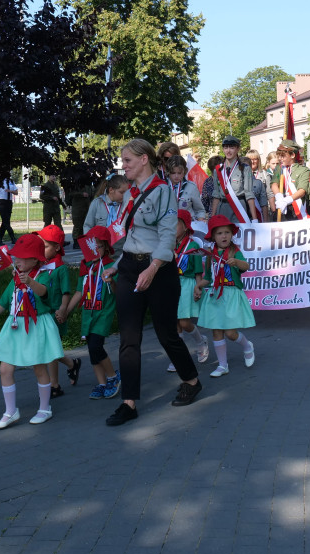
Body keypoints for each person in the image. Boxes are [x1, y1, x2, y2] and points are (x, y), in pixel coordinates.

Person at [105, 138, 202, 426]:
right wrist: (116, 265)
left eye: (128, 161)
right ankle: (129, 403)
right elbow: (132, 236)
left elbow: (165, 237)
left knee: (166, 333)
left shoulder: (163, 193)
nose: (124, 166)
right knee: (128, 338)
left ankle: (192, 380)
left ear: (144, 160)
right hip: (129, 269)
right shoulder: (131, 193)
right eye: (123, 161)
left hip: (159, 269)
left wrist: (153, 268)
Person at [0, 234, 65, 428]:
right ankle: (10, 411)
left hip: (36, 326)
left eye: (23, 257)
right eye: (16, 257)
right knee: (5, 369)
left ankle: (44, 408)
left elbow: (45, 293)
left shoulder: (43, 275)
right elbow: (3, 302)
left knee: (39, 367)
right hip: (15, 326)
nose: (17, 261)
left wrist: (30, 282)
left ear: (35, 259)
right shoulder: (15, 279)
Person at [195, 214, 256, 376]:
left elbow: (246, 266)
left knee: (230, 333)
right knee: (216, 331)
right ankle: (223, 365)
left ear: (231, 234)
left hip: (231, 295)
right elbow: (208, 277)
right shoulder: (211, 255)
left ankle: (247, 346)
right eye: (220, 233)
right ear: (213, 236)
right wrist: (198, 287)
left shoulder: (235, 252)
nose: (224, 236)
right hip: (215, 296)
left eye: (227, 233)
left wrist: (236, 262)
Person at [67, 226, 121, 399]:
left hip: (103, 313)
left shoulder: (111, 266)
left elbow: (117, 291)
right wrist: (66, 311)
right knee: (92, 350)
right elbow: (79, 292)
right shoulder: (86, 267)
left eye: (98, 245)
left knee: (96, 346)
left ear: (105, 246)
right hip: (88, 314)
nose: (94, 249)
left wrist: (111, 280)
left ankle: (113, 377)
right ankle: (101, 383)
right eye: (91, 245)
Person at [37, 224, 82, 398]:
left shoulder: (60, 268)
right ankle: (72, 364)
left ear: (57, 248)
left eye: (45, 246)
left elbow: (66, 293)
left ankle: (54, 385)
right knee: (49, 349)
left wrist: (63, 309)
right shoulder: (41, 266)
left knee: (50, 350)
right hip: (42, 314)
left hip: (55, 315)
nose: (42, 249)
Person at [169, 210, 209, 371]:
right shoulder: (169, 245)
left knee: (184, 322)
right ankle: (179, 357)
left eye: (176, 224)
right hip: (172, 284)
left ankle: (201, 342)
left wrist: (198, 287)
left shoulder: (193, 245)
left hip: (187, 284)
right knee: (174, 324)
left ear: (185, 227)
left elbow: (199, 270)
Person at [211, 136, 257, 223]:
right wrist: (212, 216)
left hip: (239, 207)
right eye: (226, 147)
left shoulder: (245, 169)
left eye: (232, 147)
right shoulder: (218, 169)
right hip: (222, 209)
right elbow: (216, 195)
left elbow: (249, 194)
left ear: (237, 149)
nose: (228, 151)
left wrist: (254, 219)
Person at [271, 139, 310, 220]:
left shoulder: (303, 170)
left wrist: (287, 200)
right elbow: (274, 184)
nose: (279, 158)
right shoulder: (279, 168)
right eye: (279, 156)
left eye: (283, 156)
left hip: (296, 210)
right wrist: (279, 196)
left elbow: (302, 191)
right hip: (281, 208)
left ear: (292, 155)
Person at [165, 154, 207, 221]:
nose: (176, 176)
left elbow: (199, 210)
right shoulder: (161, 187)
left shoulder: (191, 187)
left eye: (179, 173)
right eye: (173, 173)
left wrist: (200, 222)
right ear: (168, 172)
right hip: (168, 226)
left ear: (184, 172)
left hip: (187, 226)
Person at [67, 177, 95, 249]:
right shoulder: (77, 184)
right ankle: (76, 242)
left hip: (86, 208)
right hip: (78, 209)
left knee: (85, 225)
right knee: (77, 226)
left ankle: (83, 241)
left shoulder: (89, 186)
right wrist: (81, 194)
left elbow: (92, 194)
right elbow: (71, 193)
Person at [0, 173, 19, 245]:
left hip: (9, 202)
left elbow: (16, 192)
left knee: (5, 222)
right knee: (6, 221)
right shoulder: (0, 181)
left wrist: (10, 191)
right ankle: (12, 237)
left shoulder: (11, 181)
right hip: (1, 201)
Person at [246, 149, 271, 221]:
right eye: (250, 159)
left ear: (258, 160)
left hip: (262, 209)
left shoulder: (265, 174)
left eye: (255, 159)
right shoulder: (241, 175)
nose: (252, 162)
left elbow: (269, 193)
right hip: (247, 211)